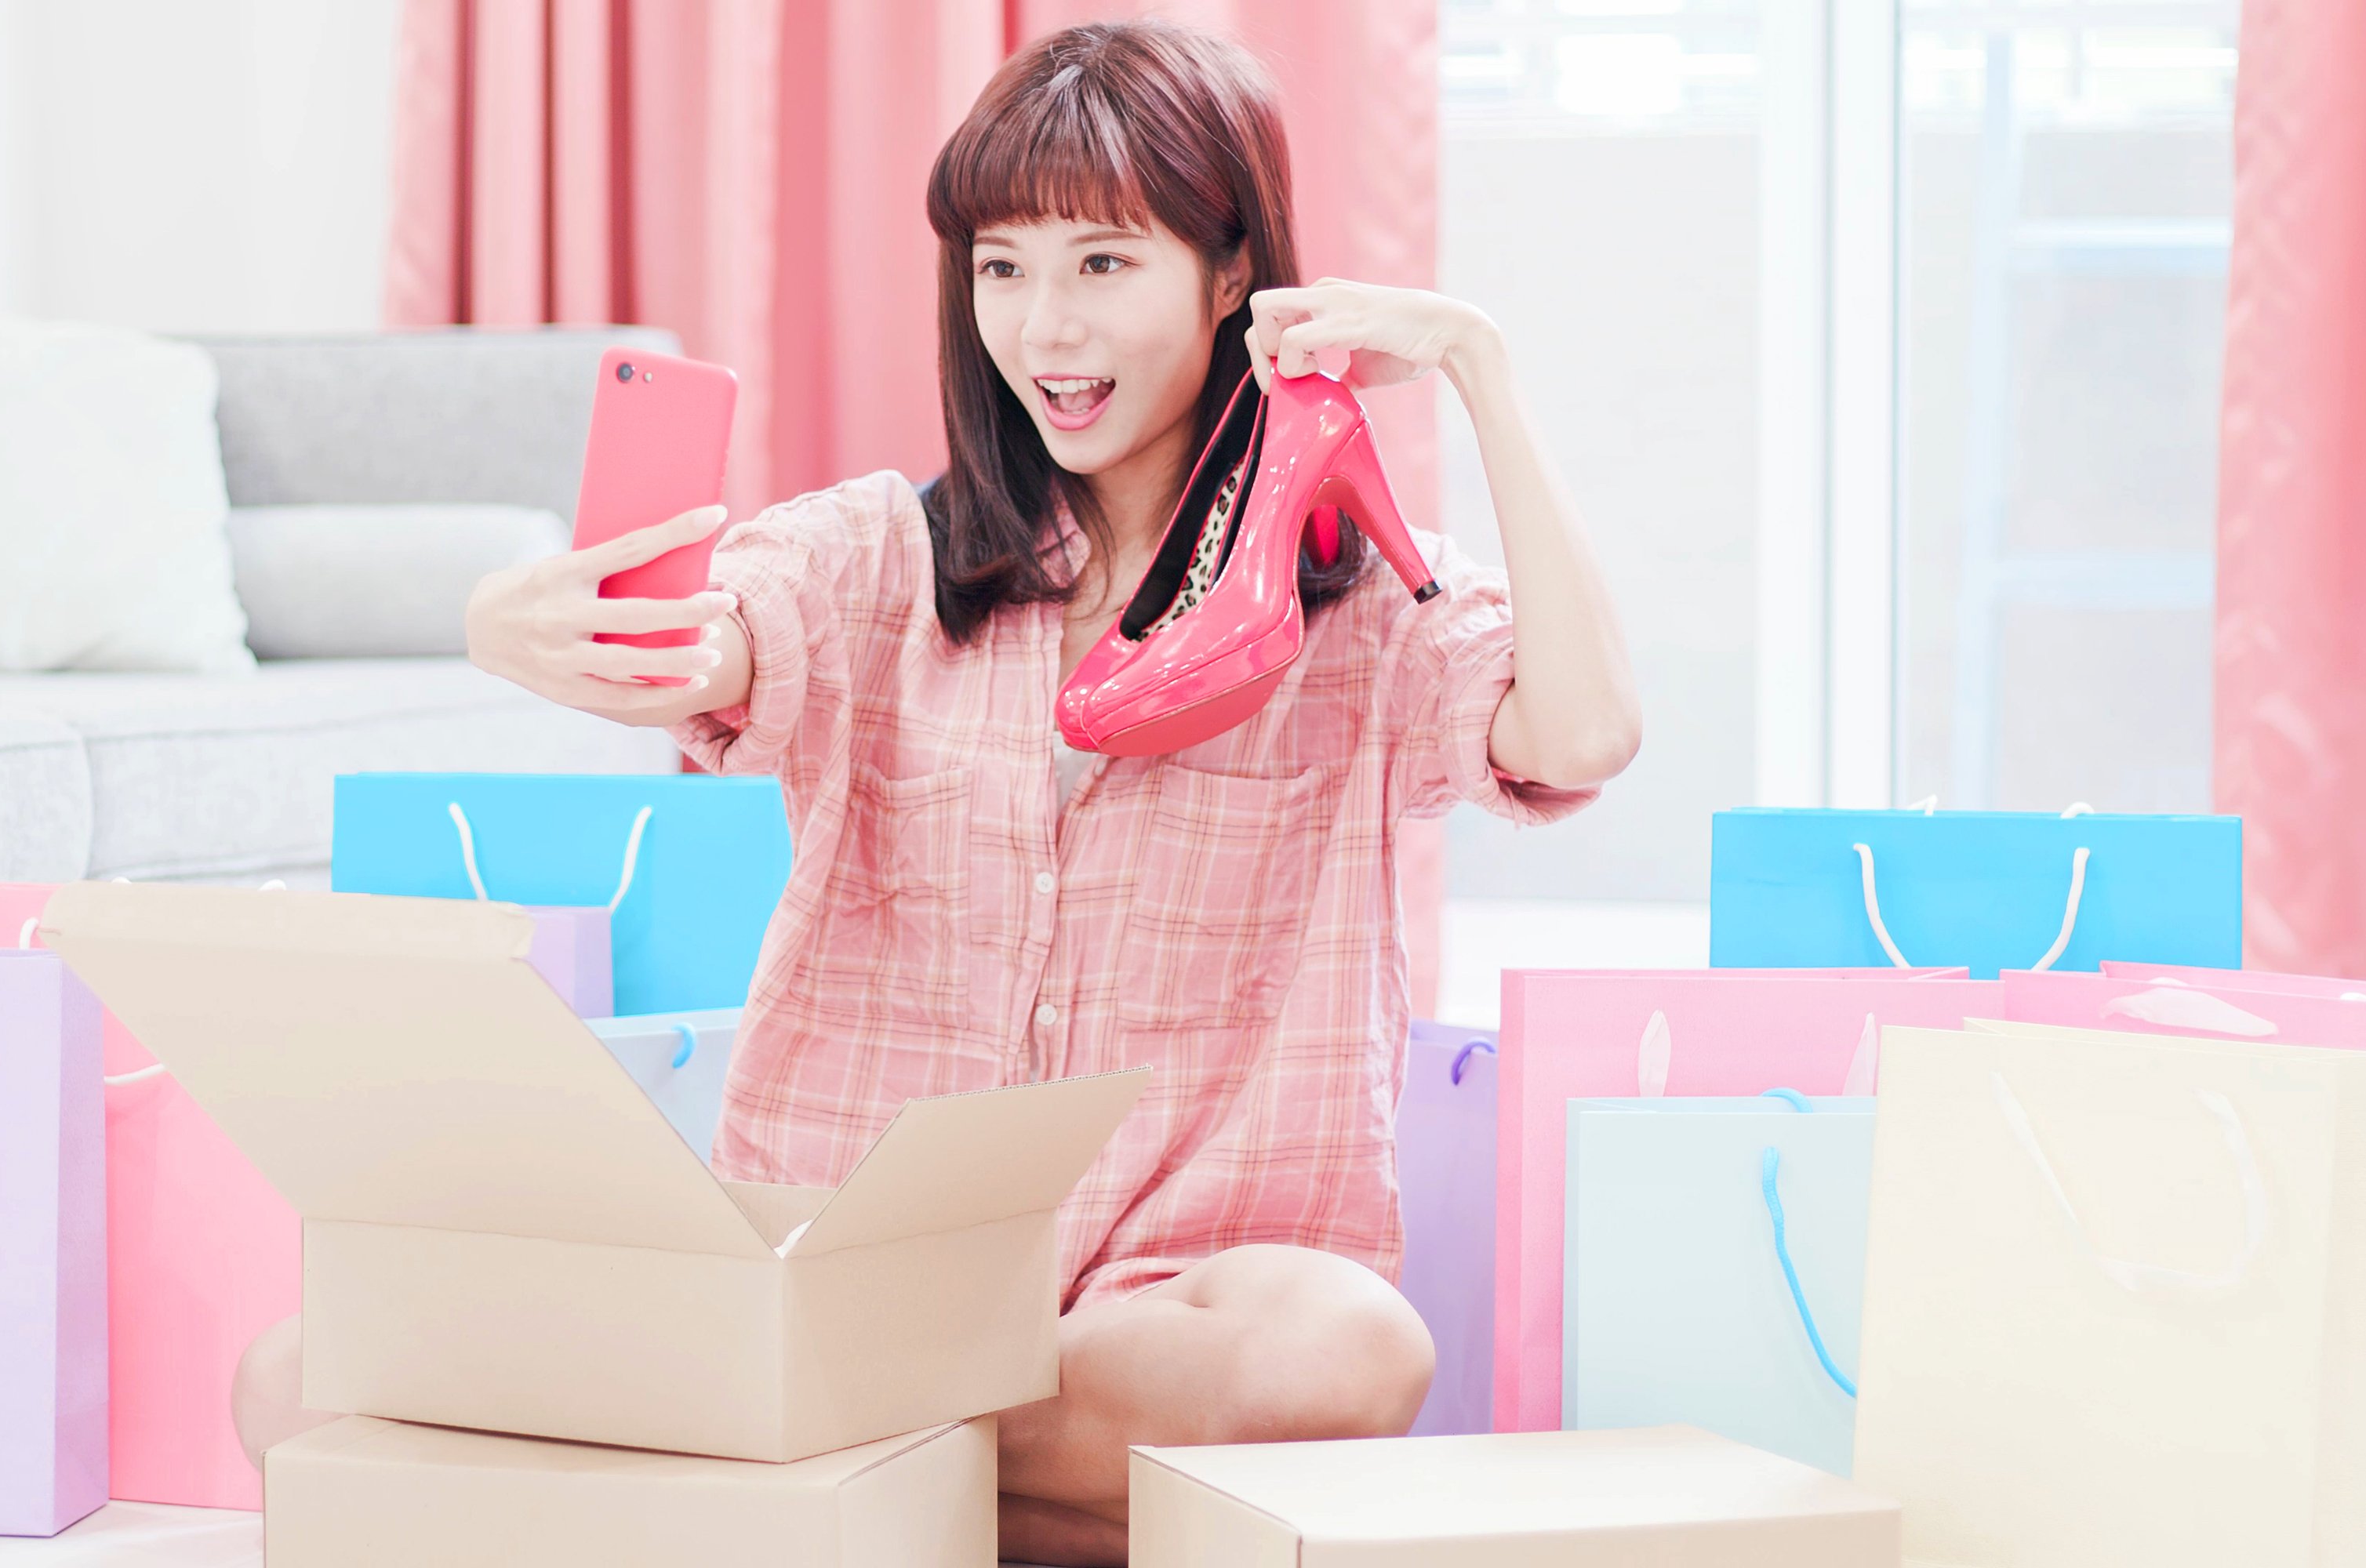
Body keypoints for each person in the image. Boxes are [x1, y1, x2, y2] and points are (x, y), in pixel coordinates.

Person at [462, 19, 1635, 1566]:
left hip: (1173, 1301)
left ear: (1230, 277)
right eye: (1000, 267)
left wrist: (1477, 367)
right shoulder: (878, 558)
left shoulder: (1355, 618)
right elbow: (716, 640)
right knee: (298, 1372)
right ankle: (975, 1482)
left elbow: (1584, 733)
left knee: (1341, 1349)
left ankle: (777, 1456)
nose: (1043, 331)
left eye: (1101, 264)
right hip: (853, 1259)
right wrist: (514, 620)